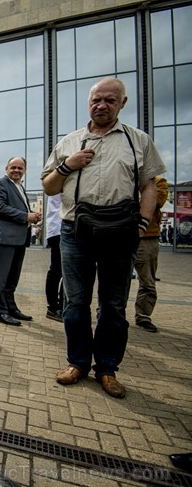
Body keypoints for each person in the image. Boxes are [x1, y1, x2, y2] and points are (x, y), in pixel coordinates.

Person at [42, 77, 166, 399]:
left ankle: (107, 368)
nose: (102, 105)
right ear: (88, 102)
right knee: (74, 302)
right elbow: (49, 187)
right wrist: (67, 166)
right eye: (96, 99)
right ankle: (78, 362)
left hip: (120, 233)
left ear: (122, 103)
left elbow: (149, 184)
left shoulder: (137, 140)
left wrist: (141, 222)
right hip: (75, 232)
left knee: (112, 306)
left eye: (110, 100)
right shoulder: (70, 142)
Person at [0, 156, 41, 327]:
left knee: (12, 279)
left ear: (25, 170)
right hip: (5, 238)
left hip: (19, 239)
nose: (16, 171)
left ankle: (11, 308)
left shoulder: (20, 187)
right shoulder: (0, 184)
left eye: (20, 168)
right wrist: (26, 216)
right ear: (6, 168)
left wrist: (32, 215)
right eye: (13, 167)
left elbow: (17, 208)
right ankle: (0, 312)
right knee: (0, 278)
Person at [133, 176, 169, 332]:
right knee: (112, 278)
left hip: (147, 237)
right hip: (119, 234)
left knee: (147, 279)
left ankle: (143, 316)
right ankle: (105, 312)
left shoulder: (158, 182)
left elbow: (157, 201)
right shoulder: (124, 177)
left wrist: (145, 189)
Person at [44, 193, 63, 322]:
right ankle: (53, 307)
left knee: (69, 273)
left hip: (76, 230)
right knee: (57, 270)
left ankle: (63, 305)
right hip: (59, 231)